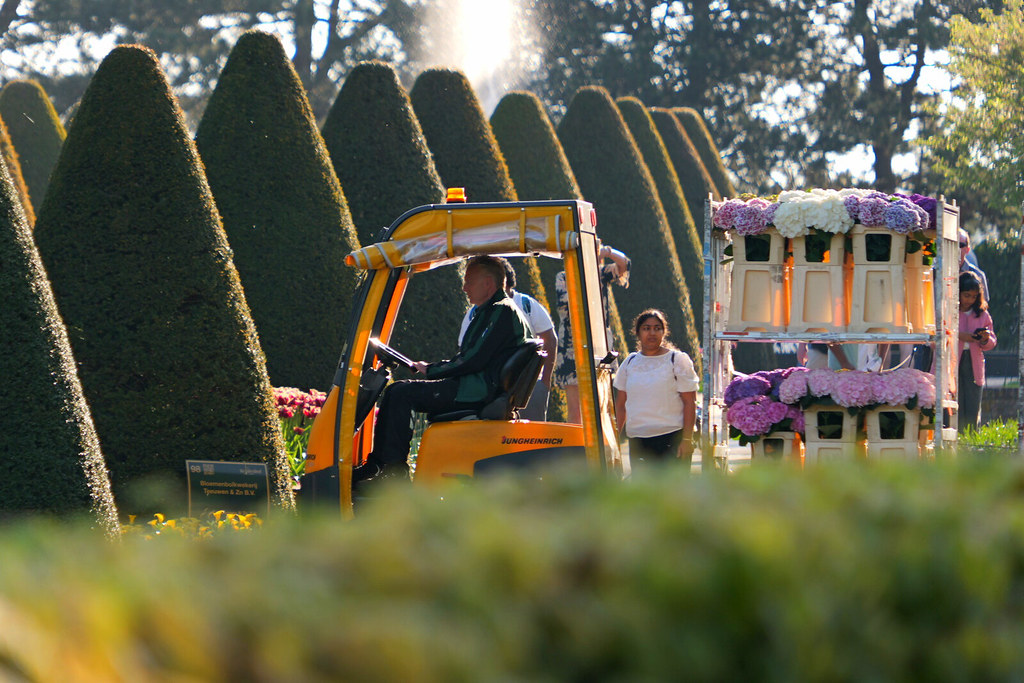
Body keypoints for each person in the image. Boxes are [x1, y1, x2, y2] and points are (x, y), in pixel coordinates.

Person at [354, 255, 533, 485]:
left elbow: (473, 360)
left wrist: (431, 370)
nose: (464, 287)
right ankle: (382, 466)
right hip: (478, 386)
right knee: (399, 391)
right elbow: (472, 357)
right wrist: (433, 369)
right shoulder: (493, 311)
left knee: (399, 393)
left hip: (475, 389)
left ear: (488, 284)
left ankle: (388, 470)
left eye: (469, 281)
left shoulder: (500, 311)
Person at [458, 258, 556, 421]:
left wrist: (545, 381)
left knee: (532, 436)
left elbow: (550, 339)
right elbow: (464, 351)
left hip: (528, 386)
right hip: (491, 389)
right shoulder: (474, 313)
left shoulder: (527, 305)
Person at [552, 243, 630, 423]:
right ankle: (578, 448)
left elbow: (625, 264)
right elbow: (569, 303)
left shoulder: (601, 274)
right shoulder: (563, 277)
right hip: (572, 348)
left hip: (600, 346)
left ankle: (602, 447)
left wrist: (608, 251)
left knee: (602, 404)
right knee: (575, 410)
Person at [613, 309, 699, 470]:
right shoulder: (630, 362)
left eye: (657, 328)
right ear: (637, 332)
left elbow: (690, 402)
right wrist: (614, 439)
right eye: (646, 328)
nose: (652, 333)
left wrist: (687, 440)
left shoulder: (677, 360)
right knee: (644, 492)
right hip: (638, 441)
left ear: (664, 332)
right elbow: (621, 405)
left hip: (672, 438)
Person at [957, 271, 996, 432]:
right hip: (953, 361)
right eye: (966, 295)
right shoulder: (948, 310)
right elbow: (938, 335)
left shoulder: (982, 314)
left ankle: (971, 436)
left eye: (973, 296)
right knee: (954, 400)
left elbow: (992, 341)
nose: (969, 300)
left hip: (973, 362)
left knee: (973, 401)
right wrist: (962, 336)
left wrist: (985, 338)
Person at [959, 228, 990, 301]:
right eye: (953, 244)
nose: (956, 249)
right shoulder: (939, 273)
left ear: (967, 249)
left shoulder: (978, 275)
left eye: (960, 245)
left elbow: (983, 306)